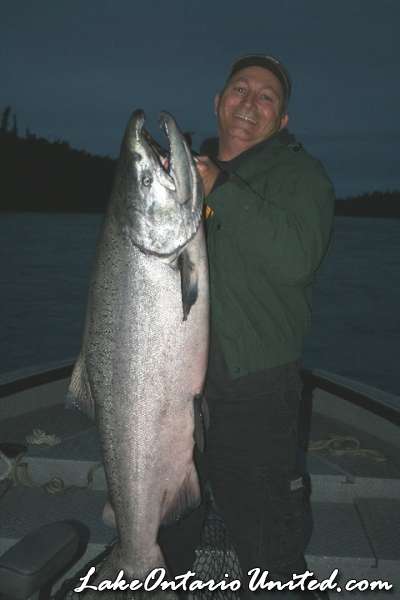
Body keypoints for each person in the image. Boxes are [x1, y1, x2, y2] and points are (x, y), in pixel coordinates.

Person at [160, 54, 335, 598]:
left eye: (266, 97)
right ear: (218, 102)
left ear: (282, 121)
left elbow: (296, 259)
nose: (249, 103)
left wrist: (221, 190)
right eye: (240, 89)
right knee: (171, 518)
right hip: (175, 380)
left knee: (267, 533)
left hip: (254, 383)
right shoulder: (189, 176)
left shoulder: (300, 174)